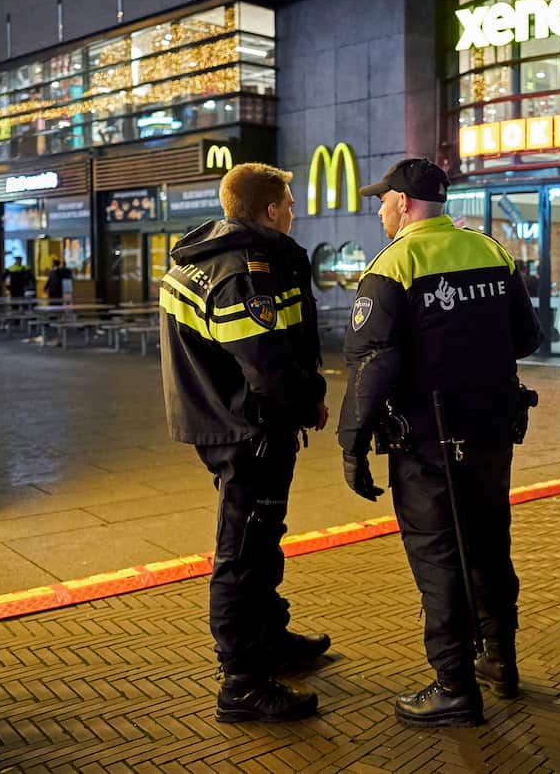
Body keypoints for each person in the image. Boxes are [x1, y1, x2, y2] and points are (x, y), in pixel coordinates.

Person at [336, 158, 543, 728]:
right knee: (488, 545)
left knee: (438, 557)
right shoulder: (491, 250)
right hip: (492, 432)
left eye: (383, 200)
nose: (379, 209)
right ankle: (500, 662)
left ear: (404, 203)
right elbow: (527, 337)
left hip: (427, 441)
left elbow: (372, 364)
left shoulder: (395, 263)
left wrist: (352, 444)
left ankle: (454, 686)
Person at [158, 162, 330, 723]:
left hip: (231, 421)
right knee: (243, 552)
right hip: (248, 429)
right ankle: (242, 683)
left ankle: (269, 640)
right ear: (271, 209)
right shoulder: (242, 272)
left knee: (262, 538)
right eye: (291, 203)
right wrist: (307, 402)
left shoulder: (204, 261)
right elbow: (267, 364)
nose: (296, 212)